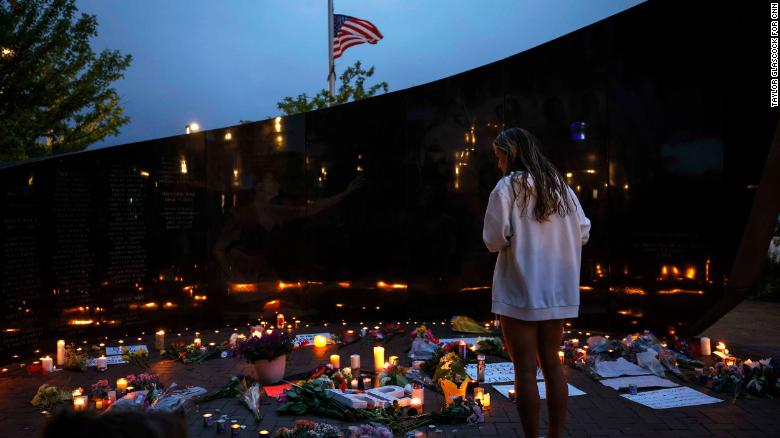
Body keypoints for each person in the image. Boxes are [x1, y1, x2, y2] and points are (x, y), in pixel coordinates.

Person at [483, 127, 590, 438]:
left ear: (510, 154)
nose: (498, 163)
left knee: (525, 369)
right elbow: (583, 231)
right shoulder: (560, 187)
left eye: (499, 157)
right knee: (553, 366)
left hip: (520, 288)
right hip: (557, 288)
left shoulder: (506, 189)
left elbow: (492, 239)